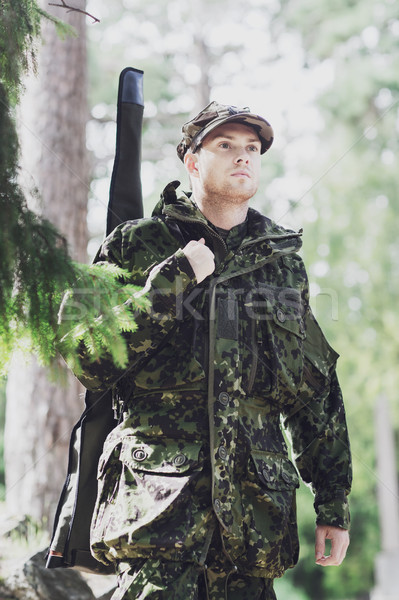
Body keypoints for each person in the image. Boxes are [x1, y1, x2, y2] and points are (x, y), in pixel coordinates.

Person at [61, 101, 352, 599]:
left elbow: (314, 389)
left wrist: (333, 504)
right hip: (156, 517)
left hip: (254, 524)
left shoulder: (280, 264)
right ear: (193, 162)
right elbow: (87, 357)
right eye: (226, 146)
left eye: (252, 149)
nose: (243, 157)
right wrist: (171, 282)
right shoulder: (135, 246)